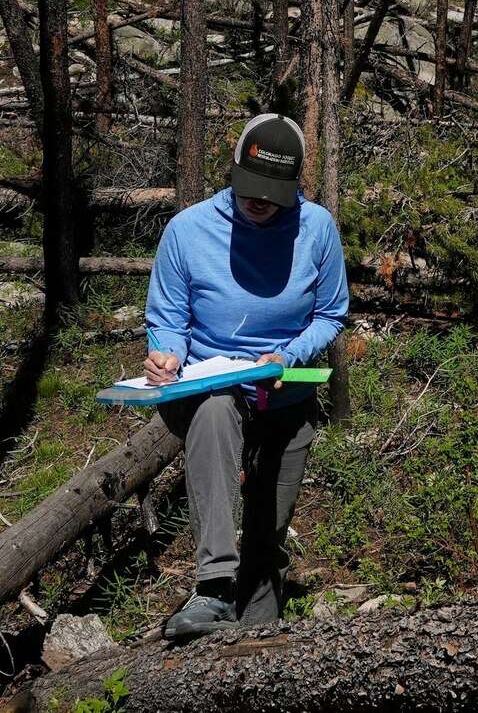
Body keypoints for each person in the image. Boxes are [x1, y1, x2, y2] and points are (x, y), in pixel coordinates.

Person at [144, 112, 349, 639]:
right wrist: (166, 354)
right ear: (233, 169)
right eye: (249, 187)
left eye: (272, 193)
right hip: (210, 385)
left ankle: (258, 633)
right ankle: (213, 587)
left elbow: (330, 314)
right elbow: (168, 318)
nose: (257, 200)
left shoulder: (317, 229)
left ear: (295, 186)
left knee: (269, 528)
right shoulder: (188, 230)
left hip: (285, 388)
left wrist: (288, 356)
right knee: (214, 414)